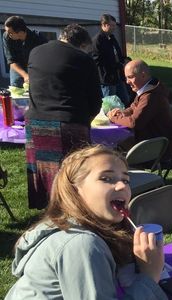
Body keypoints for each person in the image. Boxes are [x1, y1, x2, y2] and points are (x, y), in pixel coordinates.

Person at [6, 145, 167, 299]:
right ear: (75, 189)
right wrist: (149, 275)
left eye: (126, 180)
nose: (121, 186)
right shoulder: (81, 244)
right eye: (107, 178)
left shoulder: (89, 230)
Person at [26, 24, 102, 209]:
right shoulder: (83, 59)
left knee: (44, 173)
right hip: (69, 121)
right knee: (72, 172)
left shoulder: (35, 52)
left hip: (36, 122)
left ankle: (47, 209)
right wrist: (87, 119)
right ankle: (71, 210)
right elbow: (95, 99)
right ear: (82, 44)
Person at [107, 59, 172, 161]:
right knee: (115, 142)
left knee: (111, 144)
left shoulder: (151, 95)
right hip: (153, 143)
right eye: (126, 78)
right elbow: (133, 107)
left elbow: (135, 122)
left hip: (158, 151)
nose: (127, 82)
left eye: (130, 77)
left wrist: (115, 118)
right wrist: (122, 112)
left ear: (143, 75)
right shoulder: (147, 90)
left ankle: (121, 173)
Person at [91, 14, 130, 105]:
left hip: (118, 77)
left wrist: (124, 60)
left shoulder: (112, 38)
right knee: (109, 105)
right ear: (104, 25)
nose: (114, 28)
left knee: (125, 100)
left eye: (114, 25)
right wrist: (115, 65)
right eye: (111, 25)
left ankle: (125, 118)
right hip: (107, 80)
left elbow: (117, 54)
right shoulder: (97, 40)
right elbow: (96, 60)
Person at [2, 16, 46, 87]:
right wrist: (25, 75)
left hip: (34, 66)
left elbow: (46, 57)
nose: (8, 34)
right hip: (17, 66)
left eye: (10, 32)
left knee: (37, 87)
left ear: (20, 32)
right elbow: (11, 60)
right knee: (16, 87)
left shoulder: (38, 38)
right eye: (6, 31)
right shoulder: (6, 36)